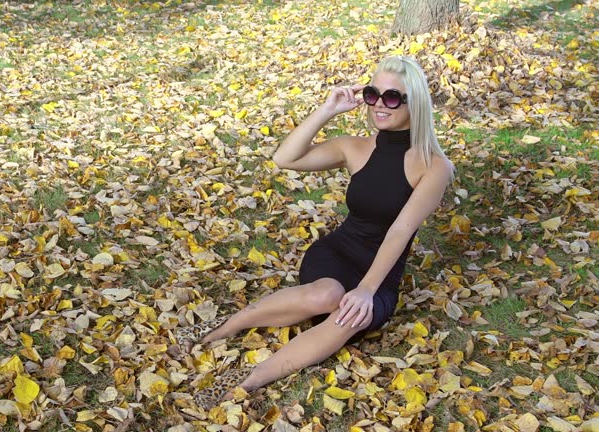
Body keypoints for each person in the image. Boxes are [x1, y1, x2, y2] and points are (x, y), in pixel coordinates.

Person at [175, 55, 454, 410]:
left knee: (350, 316)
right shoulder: (354, 147)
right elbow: (285, 158)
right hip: (338, 253)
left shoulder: (434, 165)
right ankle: (222, 328)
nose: (380, 105)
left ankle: (246, 381)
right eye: (372, 94)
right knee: (326, 294)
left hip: (381, 275)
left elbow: (400, 230)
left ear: (416, 103)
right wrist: (328, 110)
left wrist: (367, 290)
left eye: (393, 97)